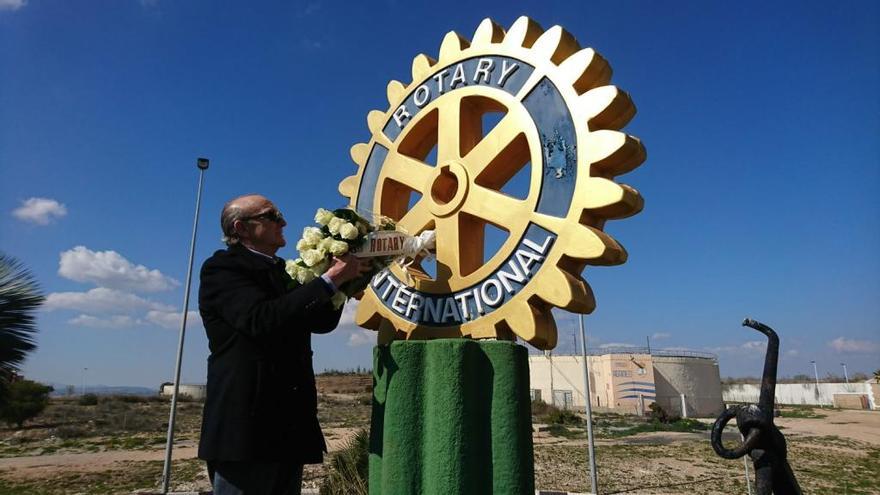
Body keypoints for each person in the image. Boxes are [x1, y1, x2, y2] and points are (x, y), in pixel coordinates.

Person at [197, 194, 369, 494]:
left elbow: (319, 323)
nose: (283, 222)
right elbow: (259, 319)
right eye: (271, 216)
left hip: (287, 425)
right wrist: (327, 281)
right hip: (248, 430)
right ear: (241, 228)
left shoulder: (282, 271)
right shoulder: (223, 269)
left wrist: (342, 284)